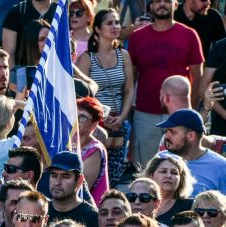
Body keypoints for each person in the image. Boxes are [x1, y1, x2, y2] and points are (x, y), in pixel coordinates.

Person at [128, 0, 203, 163]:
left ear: (176, 4)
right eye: (157, 1)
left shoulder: (189, 35)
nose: (162, 4)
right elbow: (131, 77)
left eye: (167, 1)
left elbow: (197, 76)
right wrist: (129, 109)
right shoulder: (137, 37)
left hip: (179, 113)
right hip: (145, 112)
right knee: (147, 166)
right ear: (151, 6)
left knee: (181, 164)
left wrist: (192, 108)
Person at [76, 9, 133, 185]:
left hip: (118, 121)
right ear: (98, 29)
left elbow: (129, 90)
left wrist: (122, 117)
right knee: (93, 171)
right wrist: (101, 117)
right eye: (110, 23)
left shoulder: (123, 55)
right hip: (95, 122)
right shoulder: (87, 58)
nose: (115, 26)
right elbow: (83, 93)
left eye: (117, 22)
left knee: (114, 174)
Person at [159, 109, 226, 195]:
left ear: (191, 136)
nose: (166, 136)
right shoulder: (160, 159)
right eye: (166, 131)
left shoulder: (221, 166)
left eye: (173, 132)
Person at [47, 151, 102, 227]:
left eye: (65, 176)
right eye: (54, 175)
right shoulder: (40, 211)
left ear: (79, 180)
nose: (57, 182)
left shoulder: (93, 218)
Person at [143, 154, 196, 226]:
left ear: (181, 179)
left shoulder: (190, 206)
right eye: (163, 171)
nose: (169, 176)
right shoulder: (137, 201)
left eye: (174, 173)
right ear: (151, 176)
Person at [77, 97, 110, 201]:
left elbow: (80, 189)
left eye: (82, 117)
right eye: (74, 114)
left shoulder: (95, 150)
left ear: (94, 123)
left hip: (87, 208)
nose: (76, 120)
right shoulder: (66, 143)